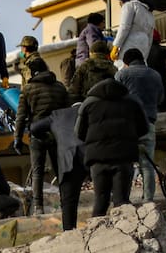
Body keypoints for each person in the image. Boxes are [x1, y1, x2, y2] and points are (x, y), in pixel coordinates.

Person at [75, 77, 149, 217]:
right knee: (122, 202)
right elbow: (144, 128)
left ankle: (96, 229)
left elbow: (79, 132)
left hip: (97, 158)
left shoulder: (88, 103)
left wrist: (95, 141)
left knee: (100, 201)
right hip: (123, 157)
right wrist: (129, 137)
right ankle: (123, 230)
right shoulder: (132, 101)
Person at [13, 58, 70, 214]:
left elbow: (21, 116)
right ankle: (66, 201)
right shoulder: (59, 87)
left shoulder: (28, 89)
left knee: (37, 171)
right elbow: (68, 111)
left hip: (37, 133)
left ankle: (38, 207)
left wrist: (17, 138)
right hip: (57, 132)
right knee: (60, 169)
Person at [116, 48, 164, 201]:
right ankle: (148, 199)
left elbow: (115, 98)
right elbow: (161, 98)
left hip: (127, 124)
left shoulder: (122, 74)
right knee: (147, 164)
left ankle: (125, 198)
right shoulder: (155, 75)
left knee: (127, 163)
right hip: (148, 122)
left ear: (126, 63)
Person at [31, 107, 88, 231]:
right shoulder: (92, 109)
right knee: (103, 193)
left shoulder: (58, 114)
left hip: (68, 158)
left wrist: (48, 138)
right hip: (90, 155)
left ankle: (69, 231)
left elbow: (34, 128)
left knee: (68, 201)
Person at [110, 0, 154, 66]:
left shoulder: (129, 5)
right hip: (144, 43)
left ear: (123, 0)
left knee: (122, 66)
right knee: (140, 67)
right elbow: (150, 36)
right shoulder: (150, 13)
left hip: (130, 42)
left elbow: (124, 27)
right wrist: (145, 56)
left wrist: (116, 46)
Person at [147, 30, 166, 111]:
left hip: (148, 81)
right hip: (162, 79)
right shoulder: (164, 49)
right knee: (165, 104)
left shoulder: (144, 51)